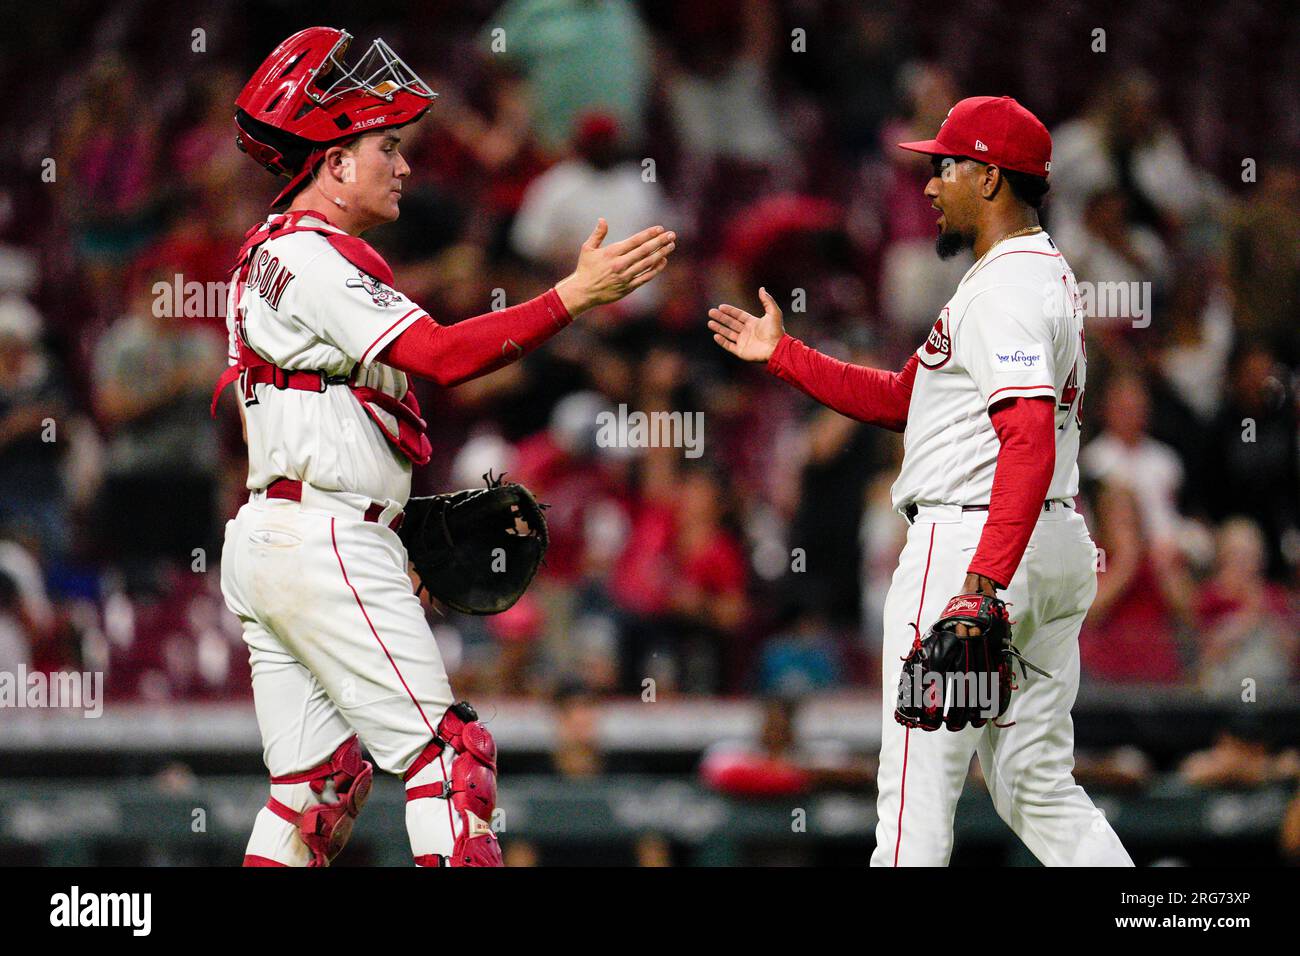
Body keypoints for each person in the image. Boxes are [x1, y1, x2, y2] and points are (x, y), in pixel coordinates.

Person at [217, 27, 674, 868]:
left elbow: (326, 417)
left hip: (274, 535)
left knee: (313, 789)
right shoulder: (312, 259)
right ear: (331, 160)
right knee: (451, 758)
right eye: (385, 146)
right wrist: (572, 294)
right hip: (321, 539)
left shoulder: (264, 258)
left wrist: (382, 525)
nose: (404, 165)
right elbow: (445, 357)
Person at [708, 96, 1132, 866]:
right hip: (1047, 544)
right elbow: (905, 399)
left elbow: (1028, 438)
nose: (930, 185)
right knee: (1035, 785)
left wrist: (981, 584)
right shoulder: (1032, 275)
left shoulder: (1003, 290)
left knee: (914, 801)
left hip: (973, 541)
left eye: (945, 166)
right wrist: (785, 354)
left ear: (993, 178)